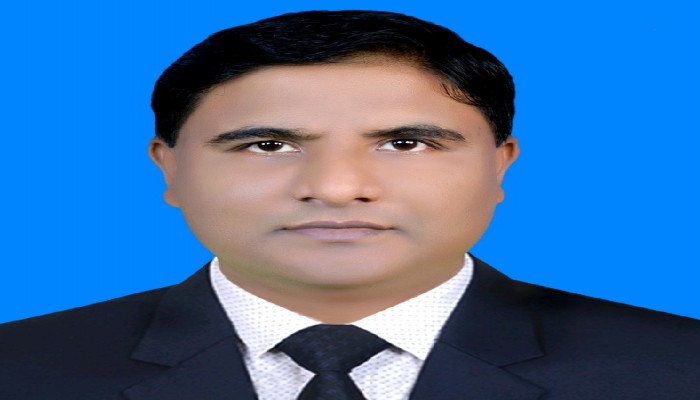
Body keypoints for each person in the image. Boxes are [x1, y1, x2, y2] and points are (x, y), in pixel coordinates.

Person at [1, 9, 698, 400]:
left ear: (499, 165)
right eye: (268, 145)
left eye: (405, 143)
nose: (336, 188)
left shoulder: (677, 370)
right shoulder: (20, 369)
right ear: (171, 168)